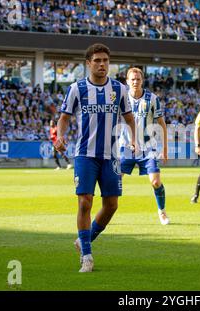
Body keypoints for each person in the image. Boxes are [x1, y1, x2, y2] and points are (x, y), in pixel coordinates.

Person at [55, 43, 136, 273]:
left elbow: (129, 118)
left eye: (106, 61)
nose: (102, 65)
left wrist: (134, 139)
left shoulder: (119, 90)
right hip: (85, 155)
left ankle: (85, 239)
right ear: (88, 63)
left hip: (111, 156)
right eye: (97, 61)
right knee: (84, 202)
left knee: (111, 205)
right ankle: (87, 257)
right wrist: (60, 136)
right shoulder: (76, 89)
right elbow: (64, 118)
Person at [120, 67, 170, 225]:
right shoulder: (121, 98)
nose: (135, 82)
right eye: (132, 79)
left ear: (142, 81)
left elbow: (161, 124)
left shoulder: (152, 99)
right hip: (126, 147)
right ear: (127, 81)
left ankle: (162, 212)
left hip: (148, 147)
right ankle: (106, 213)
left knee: (155, 182)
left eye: (138, 79)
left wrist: (165, 149)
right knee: (114, 181)